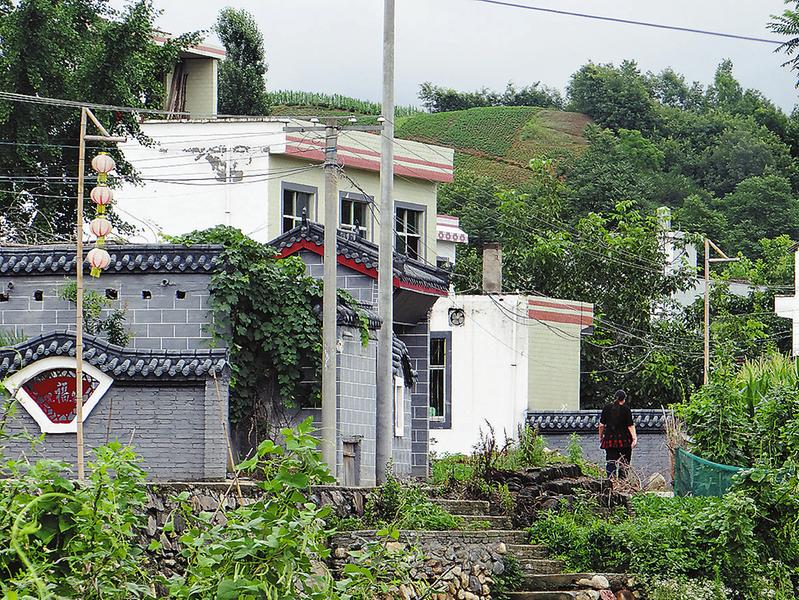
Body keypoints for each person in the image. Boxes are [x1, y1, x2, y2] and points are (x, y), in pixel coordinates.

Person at [598, 389, 637, 479]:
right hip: (625, 441)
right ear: (624, 399)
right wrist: (634, 439)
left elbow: (601, 425)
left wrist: (600, 437)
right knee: (624, 464)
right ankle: (622, 484)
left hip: (609, 440)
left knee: (611, 462)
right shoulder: (626, 409)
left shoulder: (606, 408)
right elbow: (630, 425)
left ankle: (611, 483)